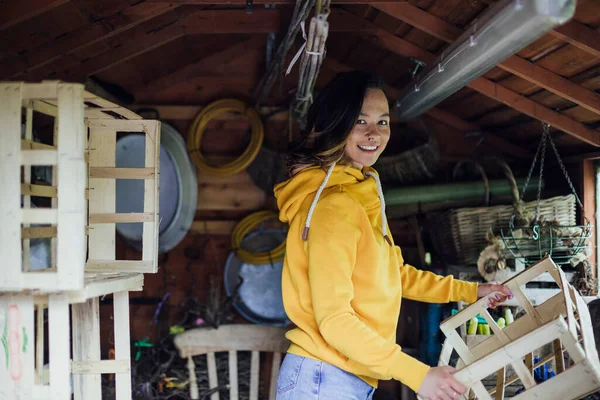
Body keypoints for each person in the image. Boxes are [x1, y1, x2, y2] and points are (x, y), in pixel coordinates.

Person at [273, 70, 512, 400]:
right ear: (335, 124)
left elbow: (395, 275)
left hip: (340, 375)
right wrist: (419, 375)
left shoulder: (361, 191)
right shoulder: (333, 207)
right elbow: (335, 321)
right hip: (322, 378)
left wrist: (471, 291)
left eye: (383, 122)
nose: (374, 133)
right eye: (361, 121)